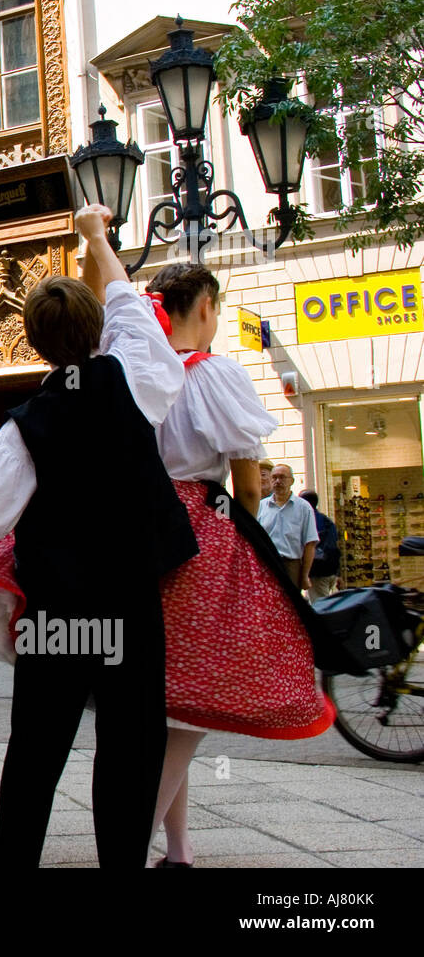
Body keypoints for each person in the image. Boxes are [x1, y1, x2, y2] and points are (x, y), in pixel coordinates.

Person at [0, 204, 198, 869]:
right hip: (130, 606)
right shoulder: (137, 379)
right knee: (132, 747)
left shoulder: (25, 430)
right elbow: (128, 308)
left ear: (32, 342)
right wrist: (95, 236)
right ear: (98, 333)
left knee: (35, 750)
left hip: (60, 613)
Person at [142, 263, 334, 869]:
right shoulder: (215, 373)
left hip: (143, 532)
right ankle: (135, 836)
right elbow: (248, 485)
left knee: (175, 699)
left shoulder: (138, 373)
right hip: (204, 530)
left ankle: (179, 847)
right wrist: (245, 543)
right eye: (217, 309)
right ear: (203, 308)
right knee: (194, 701)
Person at [258, 463, 318, 591]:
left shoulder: (303, 507)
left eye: (282, 477)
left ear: (292, 481)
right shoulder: (261, 507)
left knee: (290, 606)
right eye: (274, 477)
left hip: (291, 566)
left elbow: (310, 544)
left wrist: (305, 575)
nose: (277, 481)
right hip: (266, 565)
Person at [300, 490, 341, 600]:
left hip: (318, 571)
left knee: (320, 605)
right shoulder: (326, 520)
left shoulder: (309, 520)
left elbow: (309, 545)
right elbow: (335, 544)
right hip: (330, 569)